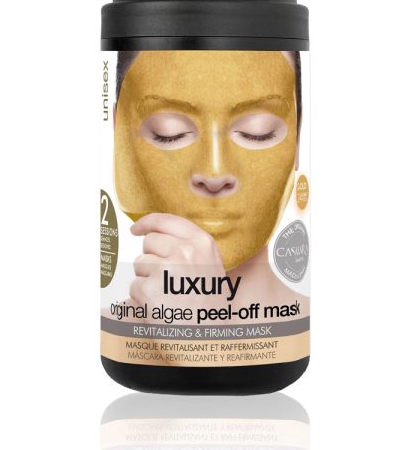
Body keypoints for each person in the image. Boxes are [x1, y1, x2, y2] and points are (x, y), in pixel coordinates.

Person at [113, 50, 309, 322]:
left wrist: (196, 333)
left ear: (298, 136)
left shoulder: (308, 331)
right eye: (169, 133)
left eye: (257, 132)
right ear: (119, 137)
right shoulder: (112, 333)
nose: (214, 174)